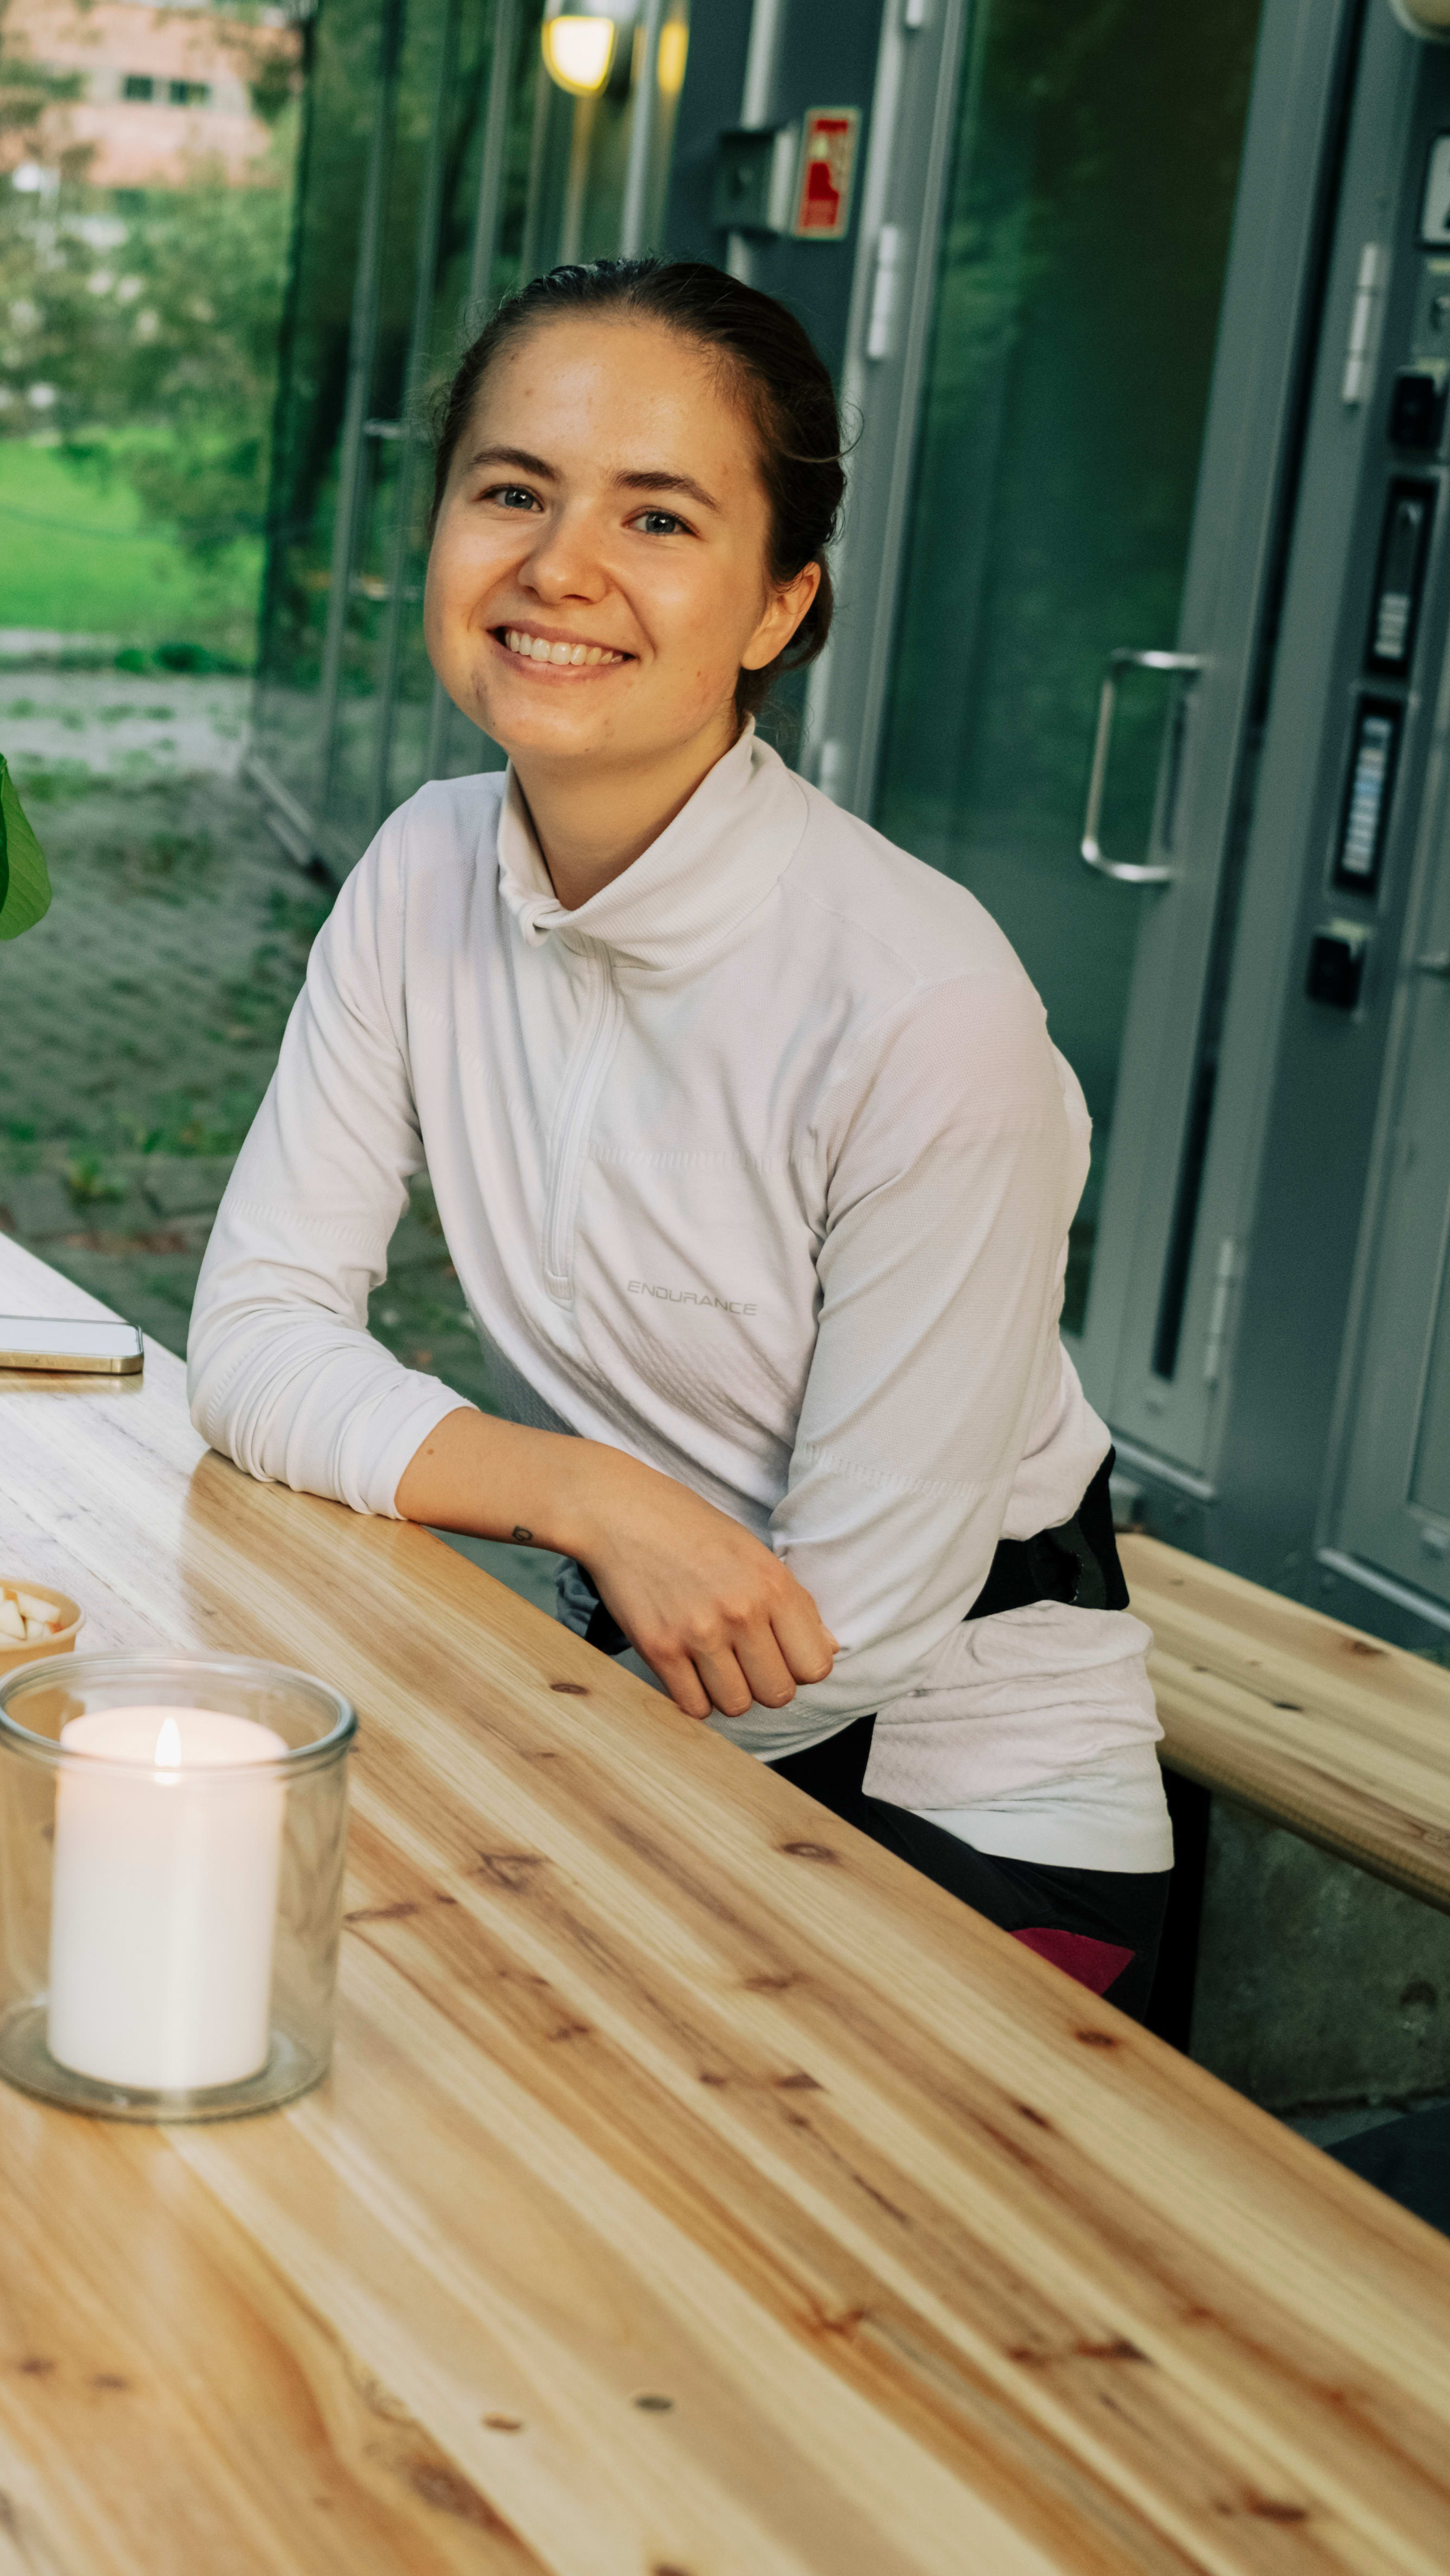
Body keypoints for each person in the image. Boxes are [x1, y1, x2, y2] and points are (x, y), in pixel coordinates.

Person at [188, 260, 1167, 2005]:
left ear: (782, 604)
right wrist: (585, 1496)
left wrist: (474, 1784)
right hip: (637, 1708)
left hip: (962, 1805)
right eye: (511, 492)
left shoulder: (924, 1008)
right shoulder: (424, 874)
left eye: (657, 517)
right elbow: (254, 1343)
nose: (558, 568)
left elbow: (840, 1634)